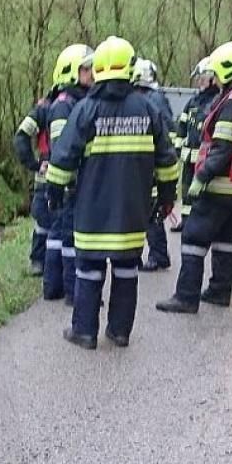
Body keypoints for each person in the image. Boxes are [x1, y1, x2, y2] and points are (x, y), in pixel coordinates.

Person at [46, 36, 179, 349]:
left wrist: (54, 190)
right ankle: (119, 332)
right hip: (133, 211)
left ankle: (84, 331)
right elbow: (167, 160)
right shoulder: (148, 109)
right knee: (126, 270)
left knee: (89, 269)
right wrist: (167, 196)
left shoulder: (85, 109)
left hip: (92, 209)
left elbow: (64, 156)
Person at [156, 41, 232, 314]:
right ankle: (219, 290)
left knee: (194, 238)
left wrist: (200, 177)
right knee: (226, 240)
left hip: (220, 186)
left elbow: (222, 148)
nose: (213, 79)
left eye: (216, 73)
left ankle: (186, 297)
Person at [42, 44, 94, 303]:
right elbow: (62, 150)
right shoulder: (64, 105)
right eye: (86, 69)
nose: (92, 74)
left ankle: (55, 288)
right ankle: (71, 292)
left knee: (59, 234)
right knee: (68, 236)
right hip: (69, 182)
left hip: (73, 182)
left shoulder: (78, 101)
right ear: (71, 72)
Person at [12, 68, 61, 276]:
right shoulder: (43, 111)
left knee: (57, 222)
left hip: (64, 174)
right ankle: (38, 260)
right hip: (45, 174)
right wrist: (33, 163)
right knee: (43, 220)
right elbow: (21, 135)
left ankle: (50, 264)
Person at [131, 58, 174, 272]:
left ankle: (158, 255)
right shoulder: (152, 98)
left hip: (151, 164)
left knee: (150, 211)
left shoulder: (151, 99)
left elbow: (164, 133)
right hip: (150, 162)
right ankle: (153, 254)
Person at [170, 58, 220, 232]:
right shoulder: (193, 102)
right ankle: (186, 220)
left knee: (204, 192)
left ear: (212, 78)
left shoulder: (217, 101)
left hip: (205, 159)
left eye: (202, 78)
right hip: (188, 157)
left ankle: (204, 224)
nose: (199, 82)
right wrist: (177, 147)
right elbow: (182, 126)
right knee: (186, 191)